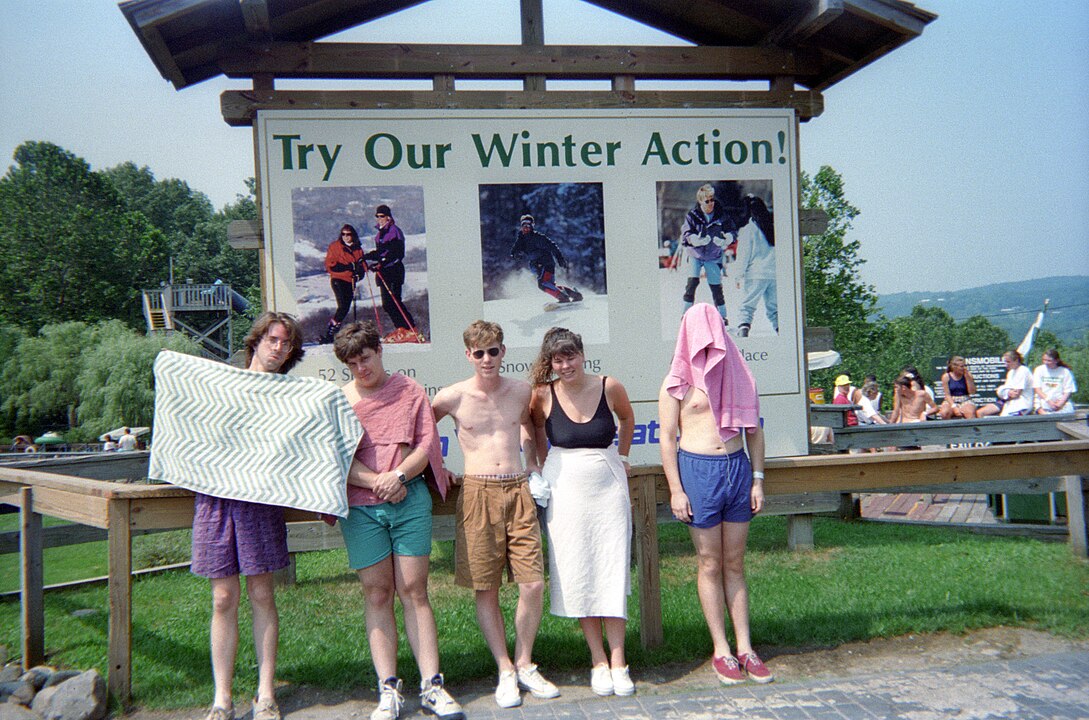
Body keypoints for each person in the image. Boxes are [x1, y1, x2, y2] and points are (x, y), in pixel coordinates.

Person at [331, 321, 462, 720]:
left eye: (365, 358)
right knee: (377, 592)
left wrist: (400, 476)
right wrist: (378, 482)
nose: (361, 369)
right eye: (352, 363)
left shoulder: (409, 392)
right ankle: (387, 689)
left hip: (409, 503)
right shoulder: (340, 400)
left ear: (380, 352)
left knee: (414, 590)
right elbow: (337, 458)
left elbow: (425, 445)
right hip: (362, 507)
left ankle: (432, 686)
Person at [431, 320, 559, 709]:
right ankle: (504, 668)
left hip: (518, 488)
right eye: (479, 352)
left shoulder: (522, 391)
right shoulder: (451, 396)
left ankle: (524, 663)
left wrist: (535, 464)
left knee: (533, 583)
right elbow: (420, 433)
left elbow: (531, 427)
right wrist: (438, 468)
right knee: (485, 586)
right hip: (477, 491)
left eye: (494, 351)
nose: (487, 359)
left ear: (503, 352)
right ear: (468, 355)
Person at [191, 311, 305, 720]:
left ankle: (265, 693)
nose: (278, 348)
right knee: (223, 597)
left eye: (286, 344)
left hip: (260, 500)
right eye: (273, 339)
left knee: (262, 593)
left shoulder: (289, 396)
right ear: (256, 341)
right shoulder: (220, 383)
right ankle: (222, 698)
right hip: (217, 499)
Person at [657, 303, 773, 686]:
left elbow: (754, 430)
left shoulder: (739, 373)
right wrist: (676, 489)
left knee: (735, 561)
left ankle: (746, 648)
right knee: (709, 562)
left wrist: (757, 479)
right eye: (700, 332)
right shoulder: (676, 381)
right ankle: (720, 649)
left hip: (737, 468)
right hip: (698, 471)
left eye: (715, 330)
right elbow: (666, 439)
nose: (709, 340)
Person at [528, 327, 636, 697]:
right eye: (557, 359)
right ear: (550, 362)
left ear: (582, 354)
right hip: (565, 491)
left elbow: (628, 420)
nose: (565, 364)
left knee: (611, 568)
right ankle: (598, 660)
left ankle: (620, 660)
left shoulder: (609, 386)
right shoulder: (542, 394)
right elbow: (534, 430)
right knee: (580, 572)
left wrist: (621, 456)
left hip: (608, 487)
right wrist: (540, 467)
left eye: (570, 356)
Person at [679, 184, 738, 324]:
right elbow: (685, 234)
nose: (711, 203)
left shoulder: (721, 215)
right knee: (692, 283)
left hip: (713, 255)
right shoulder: (692, 216)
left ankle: (722, 316)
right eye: (707, 201)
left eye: (712, 199)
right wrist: (695, 240)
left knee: (716, 286)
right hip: (696, 254)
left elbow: (732, 231)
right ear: (700, 201)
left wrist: (726, 239)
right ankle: (685, 314)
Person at [364, 205, 419, 342]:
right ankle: (401, 329)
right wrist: (366, 257)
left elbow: (397, 253)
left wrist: (381, 262)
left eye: (382, 216)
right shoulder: (379, 235)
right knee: (387, 304)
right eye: (377, 216)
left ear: (388, 217)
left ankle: (410, 329)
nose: (379, 219)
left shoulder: (394, 231)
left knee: (395, 301)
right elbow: (381, 253)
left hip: (394, 271)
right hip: (384, 272)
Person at [509, 214, 581, 304]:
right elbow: (514, 251)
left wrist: (560, 258)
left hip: (546, 263)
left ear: (532, 226)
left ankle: (562, 297)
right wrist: (516, 254)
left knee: (543, 284)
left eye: (528, 225)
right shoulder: (521, 239)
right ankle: (574, 295)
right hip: (537, 266)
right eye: (524, 225)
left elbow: (552, 246)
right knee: (549, 285)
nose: (526, 228)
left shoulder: (538, 238)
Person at [734, 194, 777, 337]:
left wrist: (738, 275)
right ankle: (781, 335)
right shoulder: (774, 229)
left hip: (755, 274)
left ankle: (743, 337)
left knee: (747, 308)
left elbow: (743, 256)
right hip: (773, 274)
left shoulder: (748, 230)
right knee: (775, 310)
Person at [322, 223, 366, 344]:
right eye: (343, 234)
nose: (346, 236)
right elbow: (330, 265)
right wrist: (347, 266)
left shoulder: (358, 249)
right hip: (338, 279)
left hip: (350, 281)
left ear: (353, 235)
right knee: (343, 306)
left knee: (345, 308)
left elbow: (362, 267)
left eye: (348, 234)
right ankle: (330, 332)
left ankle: (334, 331)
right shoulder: (335, 247)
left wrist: (358, 275)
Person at [979, 350, 1034, 417]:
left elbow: (1015, 394)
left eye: (1008, 362)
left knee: (1005, 420)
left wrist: (1005, 393)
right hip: (1009, 403)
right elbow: (1006, 391)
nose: (1006, 364)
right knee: (981, 413)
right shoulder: (1011, 372)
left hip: (1022, 405)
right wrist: (1006, 393)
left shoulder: (1023, 370)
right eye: (1005, 361)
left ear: (1016, 360)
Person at [1033, 348, 1077, 414]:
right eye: (1044, 360)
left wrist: (1060, 403)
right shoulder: (1039, 370)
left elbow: (1068, 391)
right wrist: (1049, 401)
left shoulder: (1065, 371)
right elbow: (1037, 389)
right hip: (1044, 400)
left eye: (1049, 361)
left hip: (1060, 401)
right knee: (1040, 407)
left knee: (1068, 410)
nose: (1046, 363)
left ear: (1056, 360)